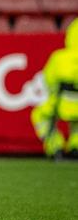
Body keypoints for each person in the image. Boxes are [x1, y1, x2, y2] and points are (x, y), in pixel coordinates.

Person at [31, 19, 78, 158]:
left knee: (39, 115)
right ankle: (76, 146)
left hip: (61, 104)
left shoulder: (59, 58)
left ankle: (55, 146)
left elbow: (49, 81)